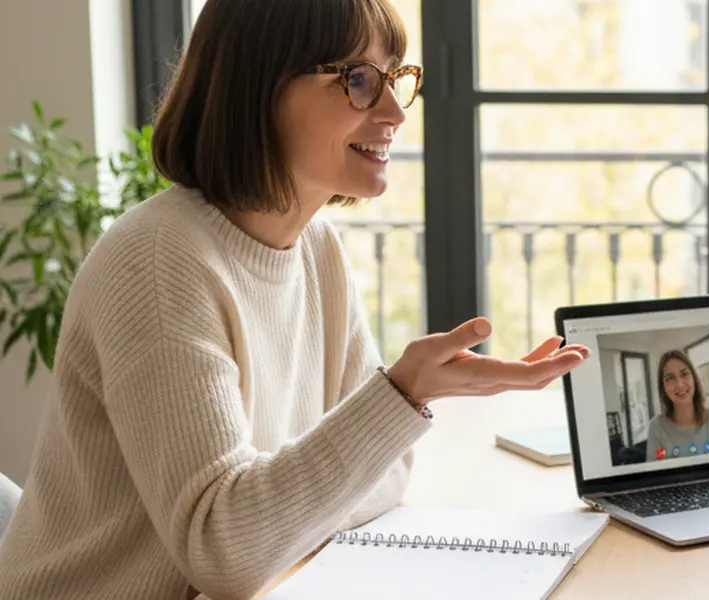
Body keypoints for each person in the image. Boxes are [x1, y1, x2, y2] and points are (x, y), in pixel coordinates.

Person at [0, 1, 589, 598]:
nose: (393, 112)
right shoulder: (158, 261)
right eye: (359, 81)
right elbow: (226, 551)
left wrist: (280, 515)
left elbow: (386, 474)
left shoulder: (317, 250)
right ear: (259, 86)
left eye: (395, 80)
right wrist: (402, 395)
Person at [645, 350, 709, 461]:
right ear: (663, 388)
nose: (679, 384)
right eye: (670, 378)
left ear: (694, 378)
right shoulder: (656, 428)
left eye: (684, 374)